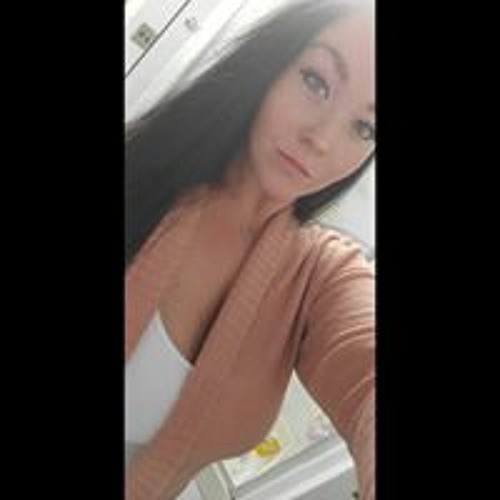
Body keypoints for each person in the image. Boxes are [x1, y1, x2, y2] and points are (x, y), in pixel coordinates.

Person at [125, 0, 375, 499]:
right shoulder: (142, 172)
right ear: (272, 62)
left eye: (365, 128)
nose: (322, 139)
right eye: (316, 82)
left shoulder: (320, 275)